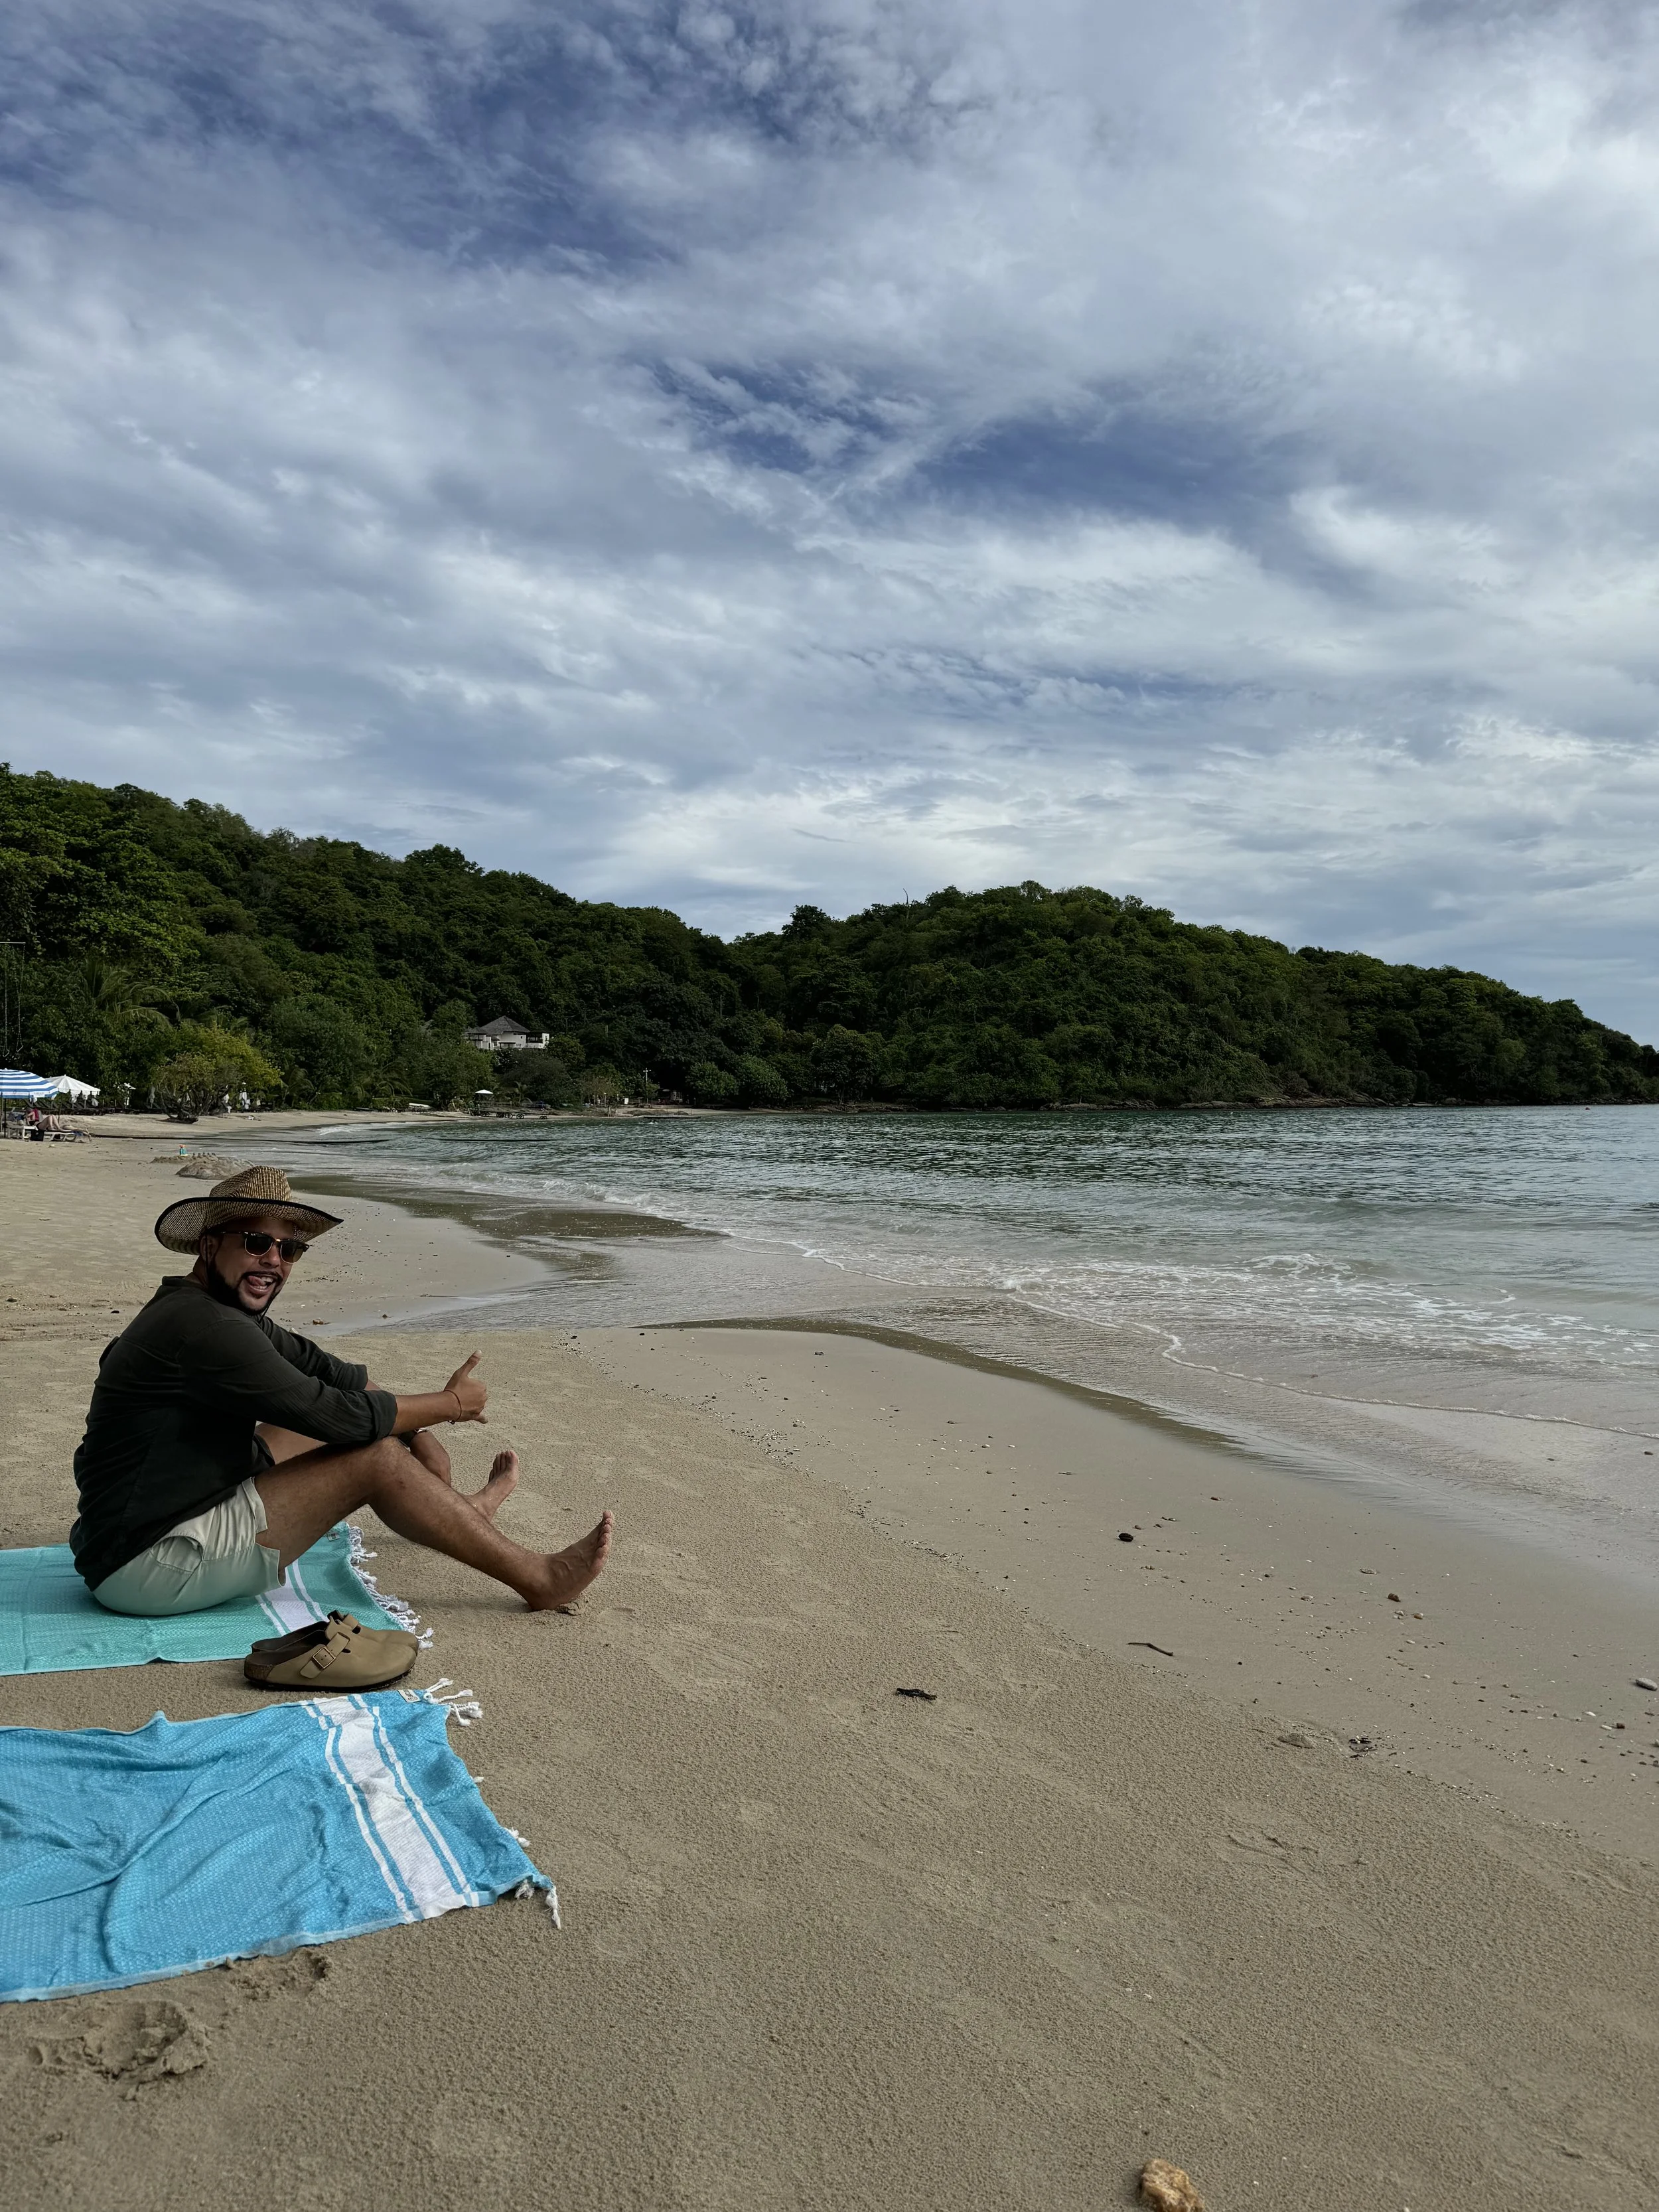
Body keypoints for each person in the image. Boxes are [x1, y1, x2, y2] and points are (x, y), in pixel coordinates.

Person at [71, 1164, 612, 1618]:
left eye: (289, 1249)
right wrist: (450, 1406)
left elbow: (331, 1371)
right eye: (257, 1242)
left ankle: (460, 1514)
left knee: (333, 1421)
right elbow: (338, 1415)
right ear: (211, 1245)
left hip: (161, 1517)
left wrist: (418, 1429)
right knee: (372, 1453)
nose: (274, 1261)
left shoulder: (213, 1310)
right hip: (146, 1566)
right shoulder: (206, 1327)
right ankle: (539, 1578)